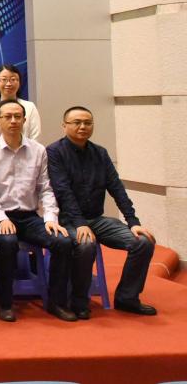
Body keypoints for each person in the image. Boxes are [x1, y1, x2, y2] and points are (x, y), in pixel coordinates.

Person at [47, 106, 157, 317]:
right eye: (77, 122)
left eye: (87, 123)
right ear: (64, 126)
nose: (83, 126)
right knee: (85, 244)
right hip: (67, 220)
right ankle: (79, 301)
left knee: (143, 242)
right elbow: (63, 191)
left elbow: (117, 188)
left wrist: (133, 222)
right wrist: (80, 223)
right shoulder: (54, 152)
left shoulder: (100, 153)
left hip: (97, 219)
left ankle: (127, 298)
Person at [0, 99, 84, 322]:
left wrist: (50, 219)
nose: (13, 121)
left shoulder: (38, 151)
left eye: (17, 116)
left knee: (62, 241)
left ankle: (57, 303)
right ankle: (5, 304)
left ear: (24, 120)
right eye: (7, 117)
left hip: (29, 217)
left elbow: (46, 188)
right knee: (7, 242)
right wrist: (1, 218)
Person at [0, 64, 42, 147]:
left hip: (25, 154)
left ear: (19, 82)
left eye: (13, 79)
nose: (8, 84)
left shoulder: (30, 107)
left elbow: (35, 137)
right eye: (4, 79)